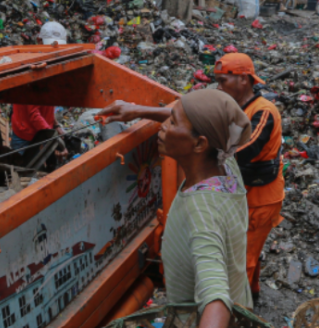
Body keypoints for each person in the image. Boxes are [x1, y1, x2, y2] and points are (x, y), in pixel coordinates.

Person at [102, 90, 254, 322]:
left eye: (172, 122)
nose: (163, 126)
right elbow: (198, 123)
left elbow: (215, 297)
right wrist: (137, 110)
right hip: (240, 300)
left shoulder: (201, 212)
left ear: (199, 143)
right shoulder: (225, 160)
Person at [212, 53, 284, 303]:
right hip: (244, 195)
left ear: (243, 79)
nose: (219, 87)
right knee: (247, 252)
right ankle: (252, 295)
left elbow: (245, 149)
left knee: (241, 261)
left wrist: (204, 155)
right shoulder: (235, 107)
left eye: (223, 81)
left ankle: (237, 310)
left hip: (260, 199)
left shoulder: (264, 111)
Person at [10, 22, 69, 162]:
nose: (54, 50)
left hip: (39, 132)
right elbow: (34, 114)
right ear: (39, 40)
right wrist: (53, 138)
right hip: (26, 136)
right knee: (23, 170)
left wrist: (56, 125)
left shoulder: (50, 65)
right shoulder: (33, 68)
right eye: (51, 45)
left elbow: (46, 106)